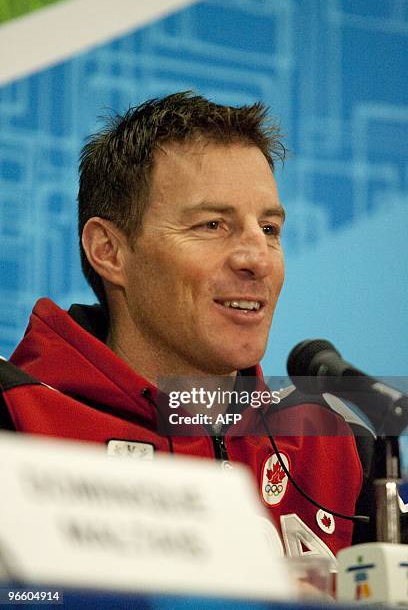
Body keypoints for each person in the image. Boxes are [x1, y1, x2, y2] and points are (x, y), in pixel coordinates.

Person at [0, 91, 375, 561]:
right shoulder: (16, 423)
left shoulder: (338, 449)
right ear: (109, 251)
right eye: (212, 225)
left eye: (270, 229)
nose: (257, 259)